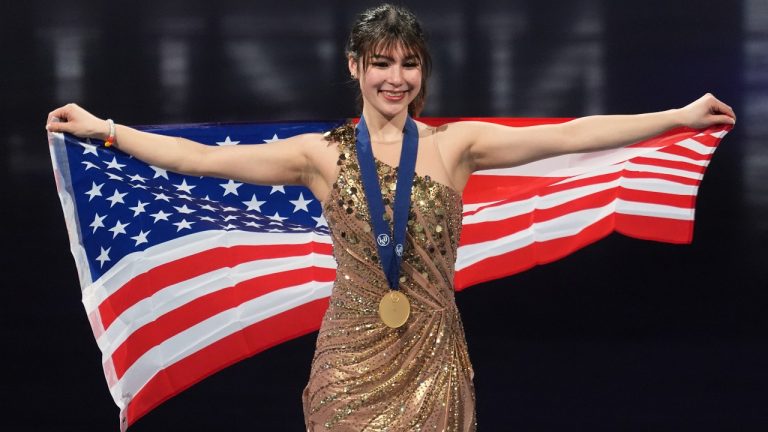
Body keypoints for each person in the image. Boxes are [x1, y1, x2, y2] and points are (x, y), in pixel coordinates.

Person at [46, 4, 735, 431]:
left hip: (435, 364)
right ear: (355, 66)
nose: (395, 77)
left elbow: (573, 133)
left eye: (408, 64)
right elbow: (197, 160)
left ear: (423, 73)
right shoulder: (318, 156)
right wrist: (106, 129)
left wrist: (676, 116)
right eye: (381, 63)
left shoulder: (457, 145)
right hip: (348, 364)